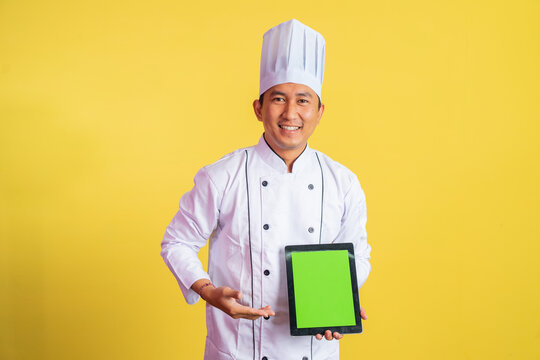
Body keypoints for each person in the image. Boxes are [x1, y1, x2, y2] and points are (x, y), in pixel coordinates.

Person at [161, 19, 371, 360]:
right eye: (278, 99)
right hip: (238, 349)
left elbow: (358, 255)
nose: (291, 113)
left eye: (303, 100)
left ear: (320, 112)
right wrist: (208, 291)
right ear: (258, 108)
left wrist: (340, 301)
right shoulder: (222, 176)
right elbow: (177, 241)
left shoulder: (343, 182)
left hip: (315, 350)